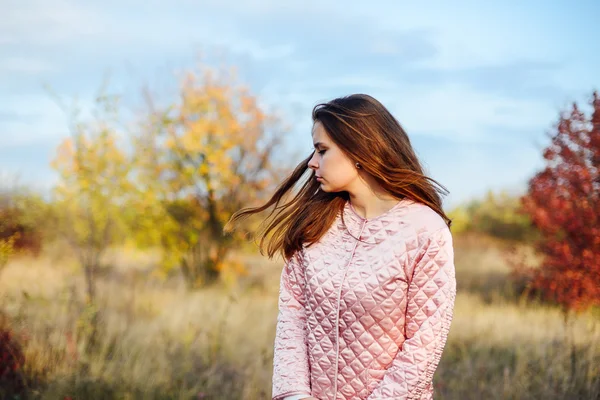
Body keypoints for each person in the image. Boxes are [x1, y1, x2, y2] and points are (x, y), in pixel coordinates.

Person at [225, 94, 456, 400]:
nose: (312, 162)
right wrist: (294, 394)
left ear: (358, 150)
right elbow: (293, 318)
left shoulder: (425, 231)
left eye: (322, 150)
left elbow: (423, 344)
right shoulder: (315, 224)